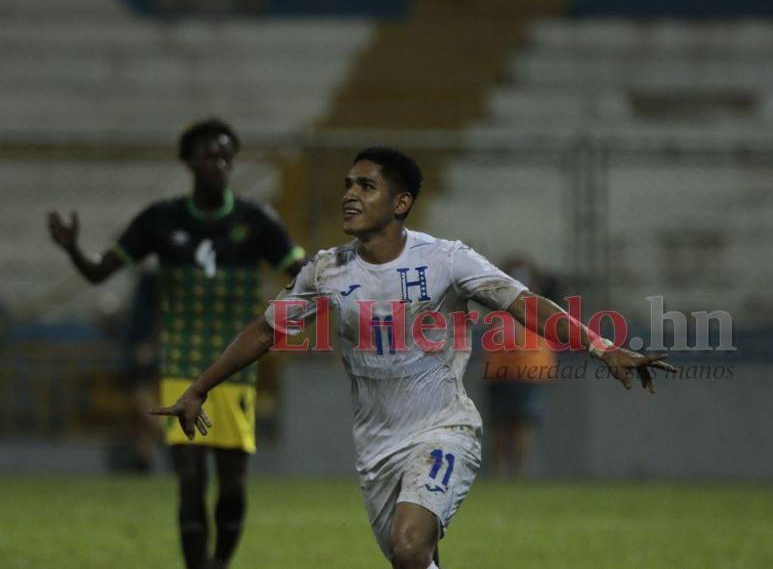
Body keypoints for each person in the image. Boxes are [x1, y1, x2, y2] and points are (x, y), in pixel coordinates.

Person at [152, 147, 675, 569]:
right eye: (348, 186)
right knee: (414, 558)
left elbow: (525, 304)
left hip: (443, 430)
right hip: (377, 447)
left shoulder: (447, 259)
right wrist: (201, 386)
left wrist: (601, 346)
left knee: (408, 546)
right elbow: (265, 331)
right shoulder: (325, 271)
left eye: (366, 186)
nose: (350, 196)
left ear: (400, 203)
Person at [47, 118, 305, 569]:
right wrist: (72, 248)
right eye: (209, 154)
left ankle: (219, 563)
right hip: (181, 367)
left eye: (227, 155)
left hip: (235, 368)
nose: (219, 163)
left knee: (232, 486)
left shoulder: (257, 221)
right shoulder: (160, 220)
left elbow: (303, 274)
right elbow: (98, 272)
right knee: (189, 479)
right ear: (188, 161)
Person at [483, 258, 557, 477]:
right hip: (530, 368)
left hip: (505, 369)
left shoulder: (500, 301)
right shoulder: (541, 303)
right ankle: (516, 472)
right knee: (521, 424)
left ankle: (503, 472)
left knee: (504, 425)